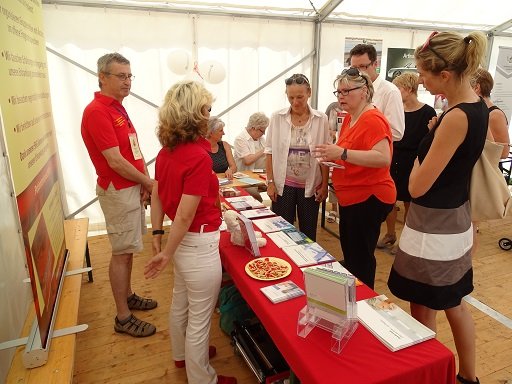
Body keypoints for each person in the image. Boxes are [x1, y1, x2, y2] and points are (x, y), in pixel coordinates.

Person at [387, 31, 489, 384]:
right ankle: (466, 376)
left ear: (445, 75)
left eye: (425, 75)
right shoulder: (475, 108)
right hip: (453, 219)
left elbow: (416, 186)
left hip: (435, 226)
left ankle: (427, 374)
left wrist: (422, 145)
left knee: (425, 305)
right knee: (453, 301)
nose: (423, 83)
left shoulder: (456, 117)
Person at [144, 81, 237, 384]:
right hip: (198, 243)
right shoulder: (198, 157)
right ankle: (203, 379)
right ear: (194, 114)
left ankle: (182, 356)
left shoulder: (167, 151)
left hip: (183, 242)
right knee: (199, 317)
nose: (210, 116)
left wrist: (158, 234)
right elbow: (185, 213)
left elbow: (157, 193)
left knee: (181, 301)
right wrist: (166, 252)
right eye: (207, 110)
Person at [81, 52, 157, 338]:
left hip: (130, 188)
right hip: (119, 190)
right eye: (120, 76)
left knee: (128, 250)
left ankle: (128, 296)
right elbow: (114, 161)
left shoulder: (117, 108)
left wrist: (142, 183)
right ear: (102, 77)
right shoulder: (98, 111)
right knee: (122, 253)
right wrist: (147, 183)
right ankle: (123, 317)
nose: (127, 82)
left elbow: (132, 151)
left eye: (129, 76)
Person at [314, 68, 395, 289]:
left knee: (360, 257)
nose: (340, 96)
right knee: (352, 252)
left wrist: (340, 154)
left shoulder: (372, 119)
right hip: (353, 195)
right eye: (338, 92)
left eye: (346, 91)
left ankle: (364, 300)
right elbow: (351, 151)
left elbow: (382, 158)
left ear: (364, 91)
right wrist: (332, 155)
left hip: (368, 196)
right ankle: (354, 293)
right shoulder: (351, 117)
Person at [264, 73, 330, 241]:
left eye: (300, 97)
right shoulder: (277, 117)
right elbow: (269, 151)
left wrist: (324, 185)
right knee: (282, 231)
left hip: (310, 185)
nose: (295, 102)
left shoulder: (321, 119)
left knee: (308, 233)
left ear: (309, 92)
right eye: (291, 97)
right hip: (283, 184)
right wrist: (270, 182)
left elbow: (324, 153)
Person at [376, 73, 436, 254]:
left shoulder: (427, 112)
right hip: (394, 157)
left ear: (409, 90)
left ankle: (405, 239)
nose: (395, 92)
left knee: (410, 201)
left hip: (412, 160)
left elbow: (429, 141)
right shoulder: (396, 109)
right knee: (390, 199)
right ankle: (390, 233)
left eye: (399, 88)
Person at [348, 43, 405, 142]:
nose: (358, 72)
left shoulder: (390, 91)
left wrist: (361, 132)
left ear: (375, 64)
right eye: (354, 68)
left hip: (373, 153)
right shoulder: (352, 90)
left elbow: (396, 133)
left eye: (362, 66)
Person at [471, 68, 510, 159]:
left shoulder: (495, 115)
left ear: (477, 88)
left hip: (485, 170)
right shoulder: (477, 111)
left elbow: (504, 152)